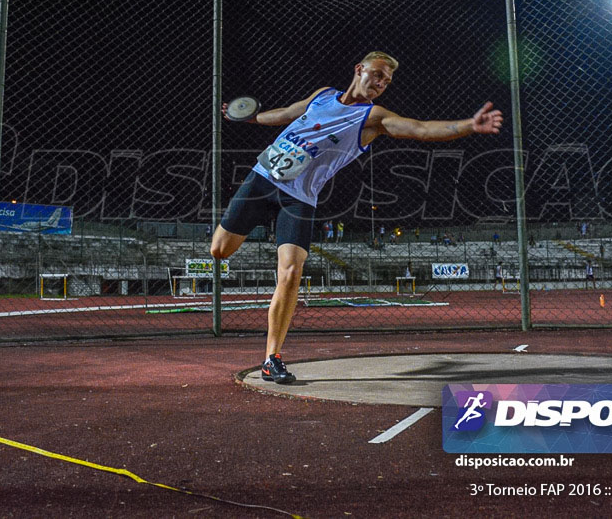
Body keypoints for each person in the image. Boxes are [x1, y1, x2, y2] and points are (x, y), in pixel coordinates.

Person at [209, 51, 504, 383]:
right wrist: (251, 118)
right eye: (377, 75)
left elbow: (420, 129)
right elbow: (287, 114)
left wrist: (468, 126)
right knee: (219, 251)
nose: (381, 83)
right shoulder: (322, 96)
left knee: (291, 272)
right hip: (262, 179)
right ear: (359, 69)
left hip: (300, 198)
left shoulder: (372, 118)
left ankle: (271, 358)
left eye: (387, 81)